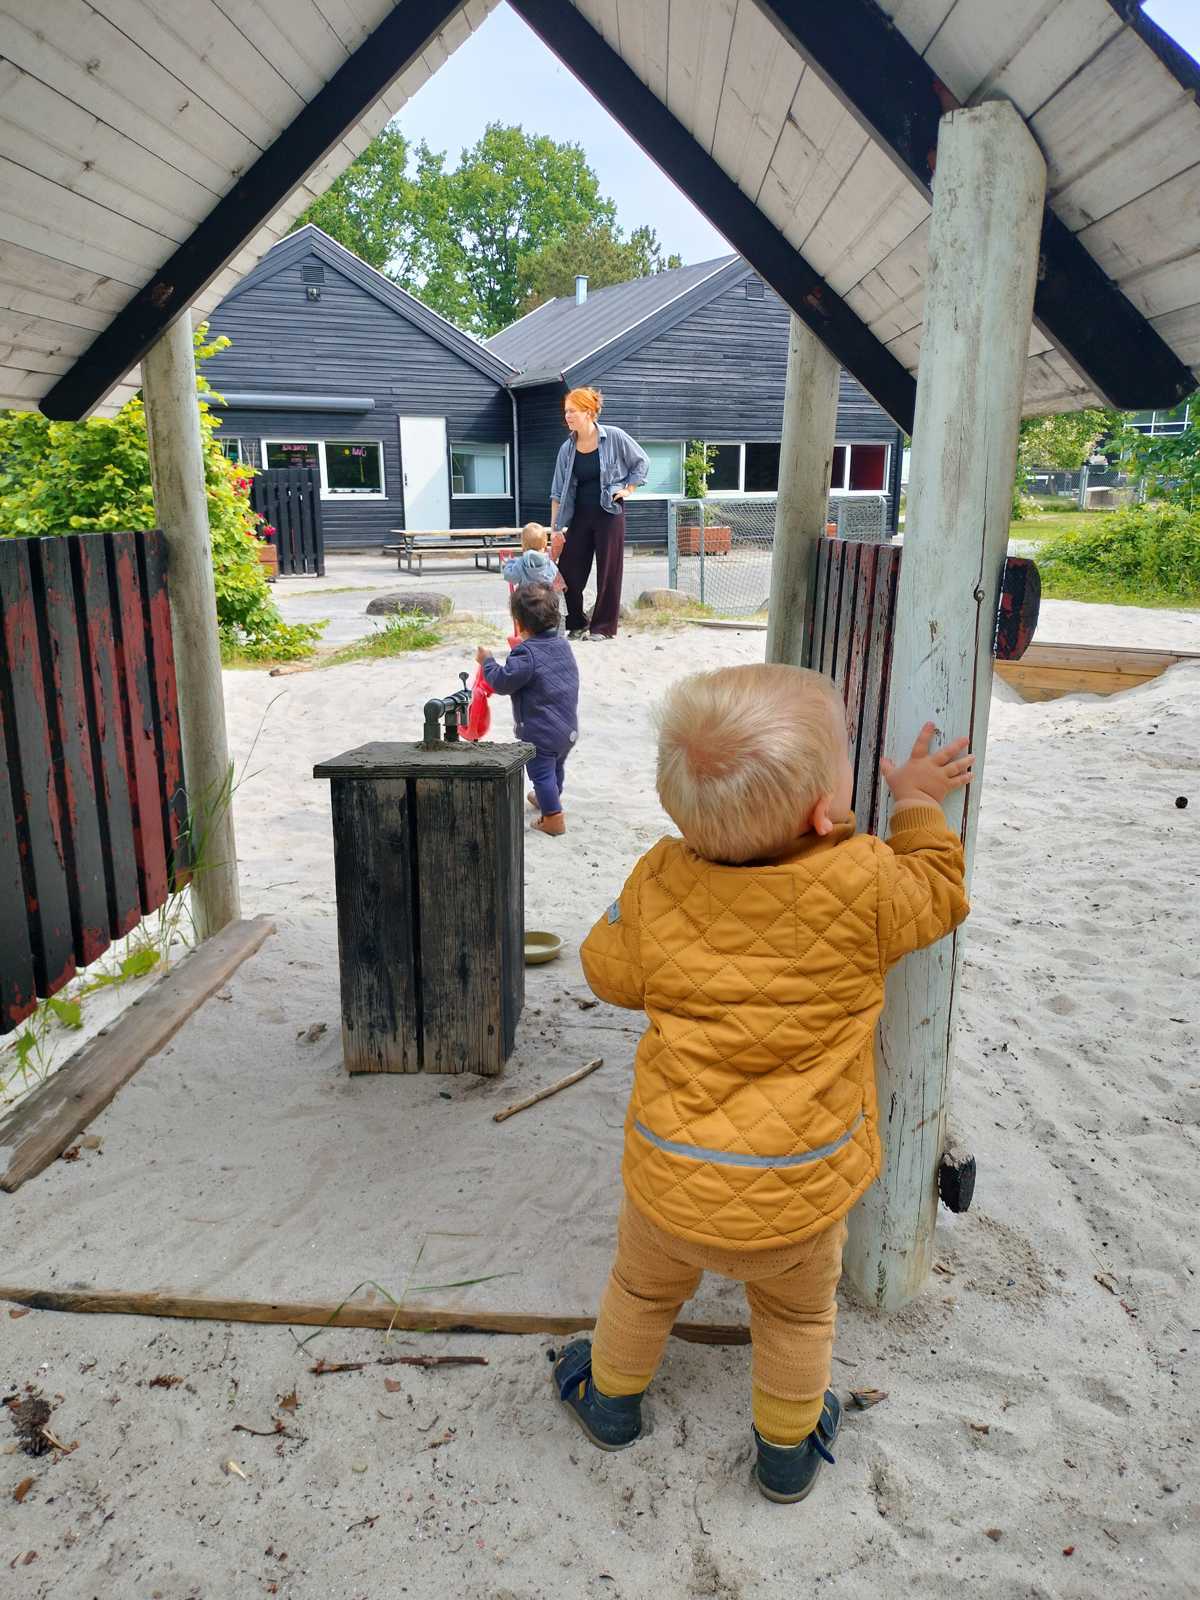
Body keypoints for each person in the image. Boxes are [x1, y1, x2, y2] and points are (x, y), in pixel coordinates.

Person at [553, 664, 972, 1503]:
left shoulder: (661, 876)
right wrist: (917, 807)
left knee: (638, 1290)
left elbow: (606, 970)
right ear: (827, 811)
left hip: (670, 1186)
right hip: (799, 1194)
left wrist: (634, 917)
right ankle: (785, 1455)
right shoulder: (863, 880)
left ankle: (610, 1405)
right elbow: (940, 892)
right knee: (795, 1318)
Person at [476, 584, 580, 837]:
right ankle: (549, 798)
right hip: (567, 728)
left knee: (541, 772)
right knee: (556, 766)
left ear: (519, 623)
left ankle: (553, 817)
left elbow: (502, 682)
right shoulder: (562, 645)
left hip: (540, 731)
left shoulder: (525, 653)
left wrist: (487, 662)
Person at [549, 386, 648, 642]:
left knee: (609, 571)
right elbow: (558, 492)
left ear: (589, 412)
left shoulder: (614, 437)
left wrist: (628, 489)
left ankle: (603, 627)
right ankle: (577, 622)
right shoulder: (566, 449)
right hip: (579, 516)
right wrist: (556, 529)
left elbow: (641, 462)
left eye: (572, 411)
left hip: (609, 514)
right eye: (566, 412)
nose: (567, 416)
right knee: (569, 571)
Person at [502, 523, 560, 591]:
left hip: (525, 599)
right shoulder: (549, 563)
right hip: (544, 599)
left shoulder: (521, 563)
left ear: (523, 546)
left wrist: (510, 563)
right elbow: (555, 576)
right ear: (545, 546)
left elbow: (510, 577)